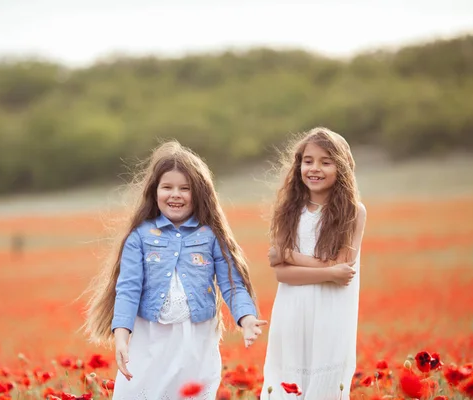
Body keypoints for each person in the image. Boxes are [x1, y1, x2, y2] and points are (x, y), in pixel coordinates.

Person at [85, 141, 267, 399]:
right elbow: (127, 289)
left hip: (196, 337)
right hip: (150, 335)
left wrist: (246, 318)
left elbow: (231, 282)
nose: (175, 195)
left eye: (185, 188)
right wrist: (122, 337)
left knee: (189, 392)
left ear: (200, 193)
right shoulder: (140, 237)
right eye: (167, 187)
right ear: (154, 191)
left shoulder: (210, 236)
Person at [261, 127, 367, 400]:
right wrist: (327, 270)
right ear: (299, 166)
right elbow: (283, 276)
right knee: (288, 382)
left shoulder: (353, 211)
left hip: (331, 313)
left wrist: (287, 255)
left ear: (341, 167)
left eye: (326, 162)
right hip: (293, 310)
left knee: (326, 384)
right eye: (308, 161)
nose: (314, 168)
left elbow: (344, 270)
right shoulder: (289, 210)